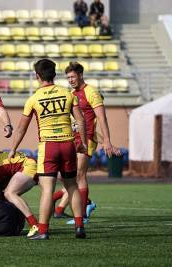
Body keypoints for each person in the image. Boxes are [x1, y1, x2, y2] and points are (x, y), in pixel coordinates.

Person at [8, 59, 87, 240]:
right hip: (68, 144)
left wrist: (13, 149)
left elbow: (21, 128)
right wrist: (81, 142)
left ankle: (43, 230)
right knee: (72, 185)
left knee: (47, 190)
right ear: (54, 74)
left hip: (48, 146)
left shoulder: (34, 98)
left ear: (37, 76)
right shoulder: (68, 94)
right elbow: (81, 121)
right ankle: (79, 227)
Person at [56, 61, 120, 225]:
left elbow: (102, 118)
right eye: (68, 77)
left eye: (72, 76)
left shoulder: (91, 92)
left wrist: (107, 141)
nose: (70, 80)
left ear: (80, 75)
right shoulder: (71, 93)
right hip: (71, 139)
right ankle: (86, 203)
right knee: (66, 177)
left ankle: (82, 216)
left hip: (87, 138)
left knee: (79, 175)